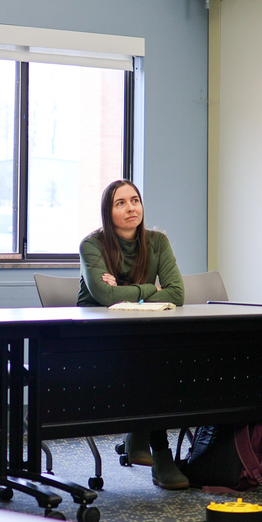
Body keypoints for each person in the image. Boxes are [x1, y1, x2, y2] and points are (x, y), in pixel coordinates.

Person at [78, 179, 187, 489]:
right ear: (107, 212)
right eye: (120, 203)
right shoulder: (92, 244)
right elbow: (102, 295)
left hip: (140, 335)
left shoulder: (157, 242)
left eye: (135, 200)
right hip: (96, 338)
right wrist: (151, 289)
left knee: (158, 358)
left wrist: (127, 293)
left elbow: (177, 293)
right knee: (150, 361)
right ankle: (160, 452)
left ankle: (140, 434)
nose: (130, 208)